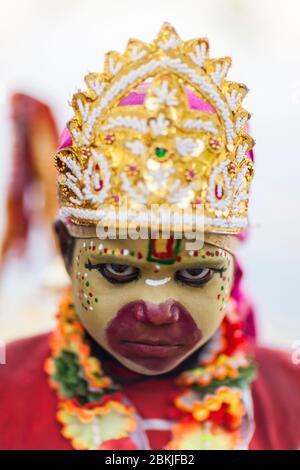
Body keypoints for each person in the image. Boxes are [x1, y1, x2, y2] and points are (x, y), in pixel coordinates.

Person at [0, 23, 299, 450]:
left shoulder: (291, 395)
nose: (158, 310)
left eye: (195, 274)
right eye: (119, 269)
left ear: (233, 264)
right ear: (66, 252)